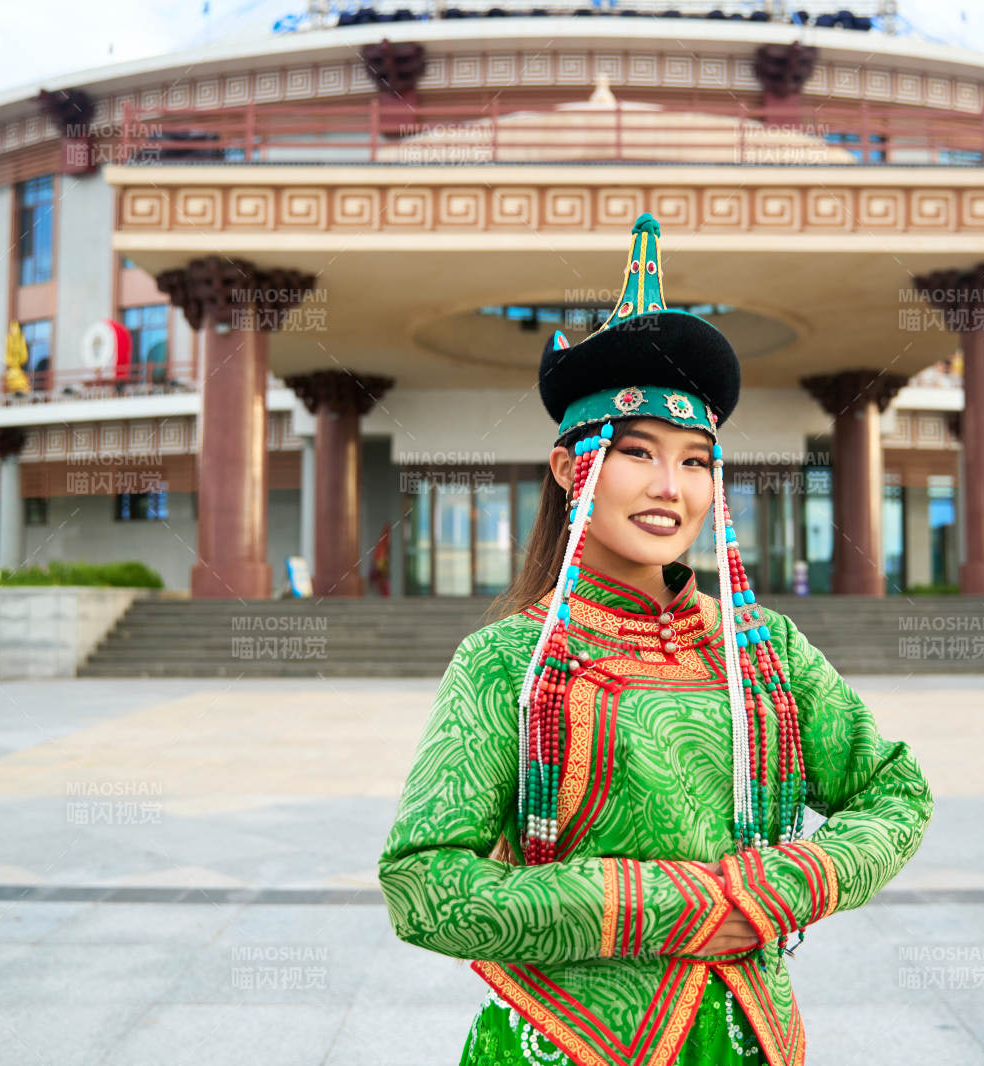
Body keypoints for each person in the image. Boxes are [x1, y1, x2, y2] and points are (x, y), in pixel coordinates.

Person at [377, 213, 934, 1065]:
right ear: (572, 470)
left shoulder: (763, 651)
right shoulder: (505, 664)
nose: (669, 487)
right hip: (569, 1043)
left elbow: (897, 792)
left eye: (695, 459)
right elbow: (423, 885)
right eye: (637, 452)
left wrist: (778, 890)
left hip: (750, 1038)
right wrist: (670, 902)